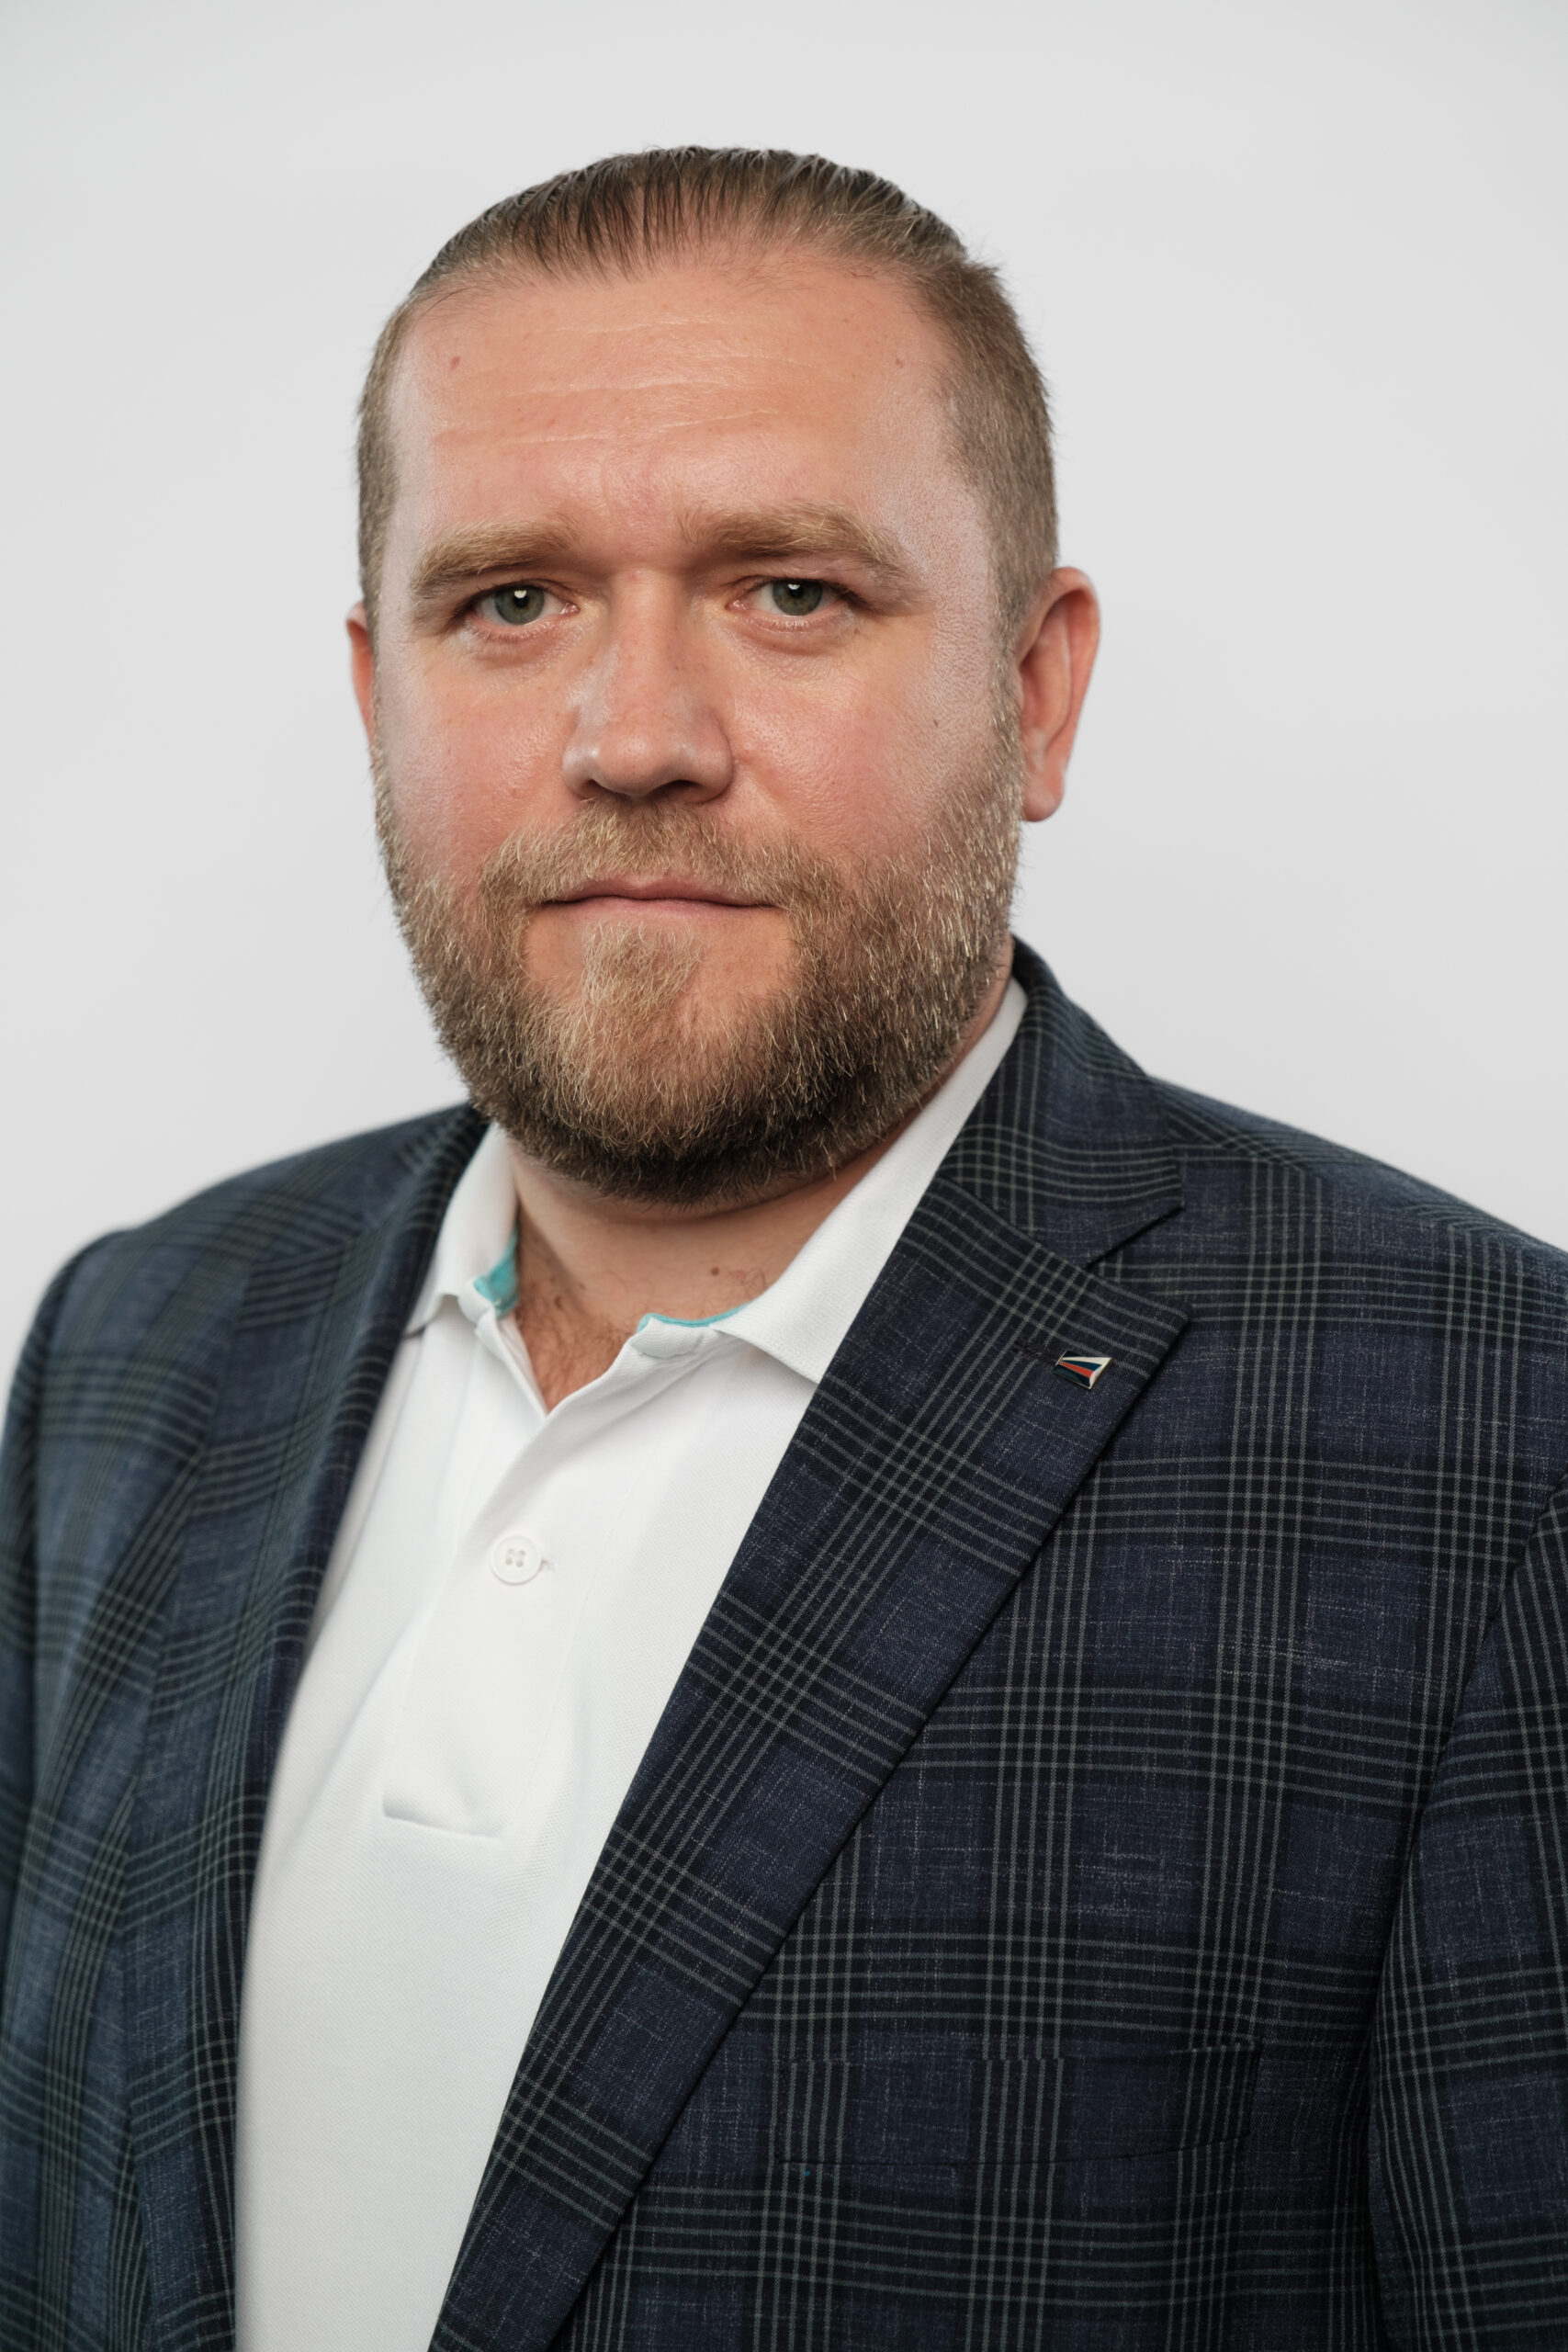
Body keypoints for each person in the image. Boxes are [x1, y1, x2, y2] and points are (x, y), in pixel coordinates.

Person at [1, 146, 1565, 2352]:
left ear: (1034, 690)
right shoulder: (134, 1341)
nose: (634, 738)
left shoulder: (1496, 1450)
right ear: (375, 693)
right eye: (509, 601)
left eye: (789, 591)